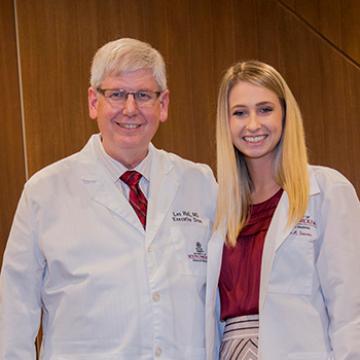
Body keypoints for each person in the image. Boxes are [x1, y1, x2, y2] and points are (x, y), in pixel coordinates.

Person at [0, 38, 217, 359]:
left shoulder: (200, 184)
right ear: (93, 101)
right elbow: (15, 311)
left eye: (144, 95)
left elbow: (223, 302)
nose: (130, 109)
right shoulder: (45, 191)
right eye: (116, 94)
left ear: (164, 104)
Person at [205, 60, 360, 359]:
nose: (252, 124)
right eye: (239, 113)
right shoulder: (221, 206)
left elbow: (351, 310)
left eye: (265, 109)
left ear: (285, 115)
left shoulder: (327, 191)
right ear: (226, 123)